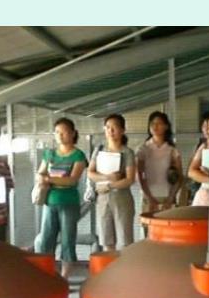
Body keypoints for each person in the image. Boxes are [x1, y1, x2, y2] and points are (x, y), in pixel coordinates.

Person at [33, 117, 87, 278]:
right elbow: (40, 173)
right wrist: (43, 178)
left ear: (72, 133)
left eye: (63, 132)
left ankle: (64, 278)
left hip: (69, 202)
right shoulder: (49, 154)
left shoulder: (78, 155)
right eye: (57, 132)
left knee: (67, 241)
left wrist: (49, 179)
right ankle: (48, 276)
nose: (60, 135)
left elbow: (72, 180)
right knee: (46, 239)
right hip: (50, 201)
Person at [87, 114, 137, 251]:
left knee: (124, 241)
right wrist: (107, 177)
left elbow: (130, 179)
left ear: (122, 130)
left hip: (122, 198)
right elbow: (90, 173)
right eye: (108, 127)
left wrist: (109, 185)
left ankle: (125, 265)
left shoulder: (127, 152)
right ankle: (109, 264)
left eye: (114, 127)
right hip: (102, 199)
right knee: (106, 240)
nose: (110, 131)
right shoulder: (99, 150)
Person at [136, 111, 183, 226]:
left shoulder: (172, 150)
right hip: (148, 197)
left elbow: (179, 176)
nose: (155, 126)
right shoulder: (143, 149)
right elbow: (139, 175)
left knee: (168, 230)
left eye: (159, 123)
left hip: (168, 197)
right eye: (152, 123)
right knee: (149, 231)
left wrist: (171, 198)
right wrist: (149, 197)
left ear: (166, 126)